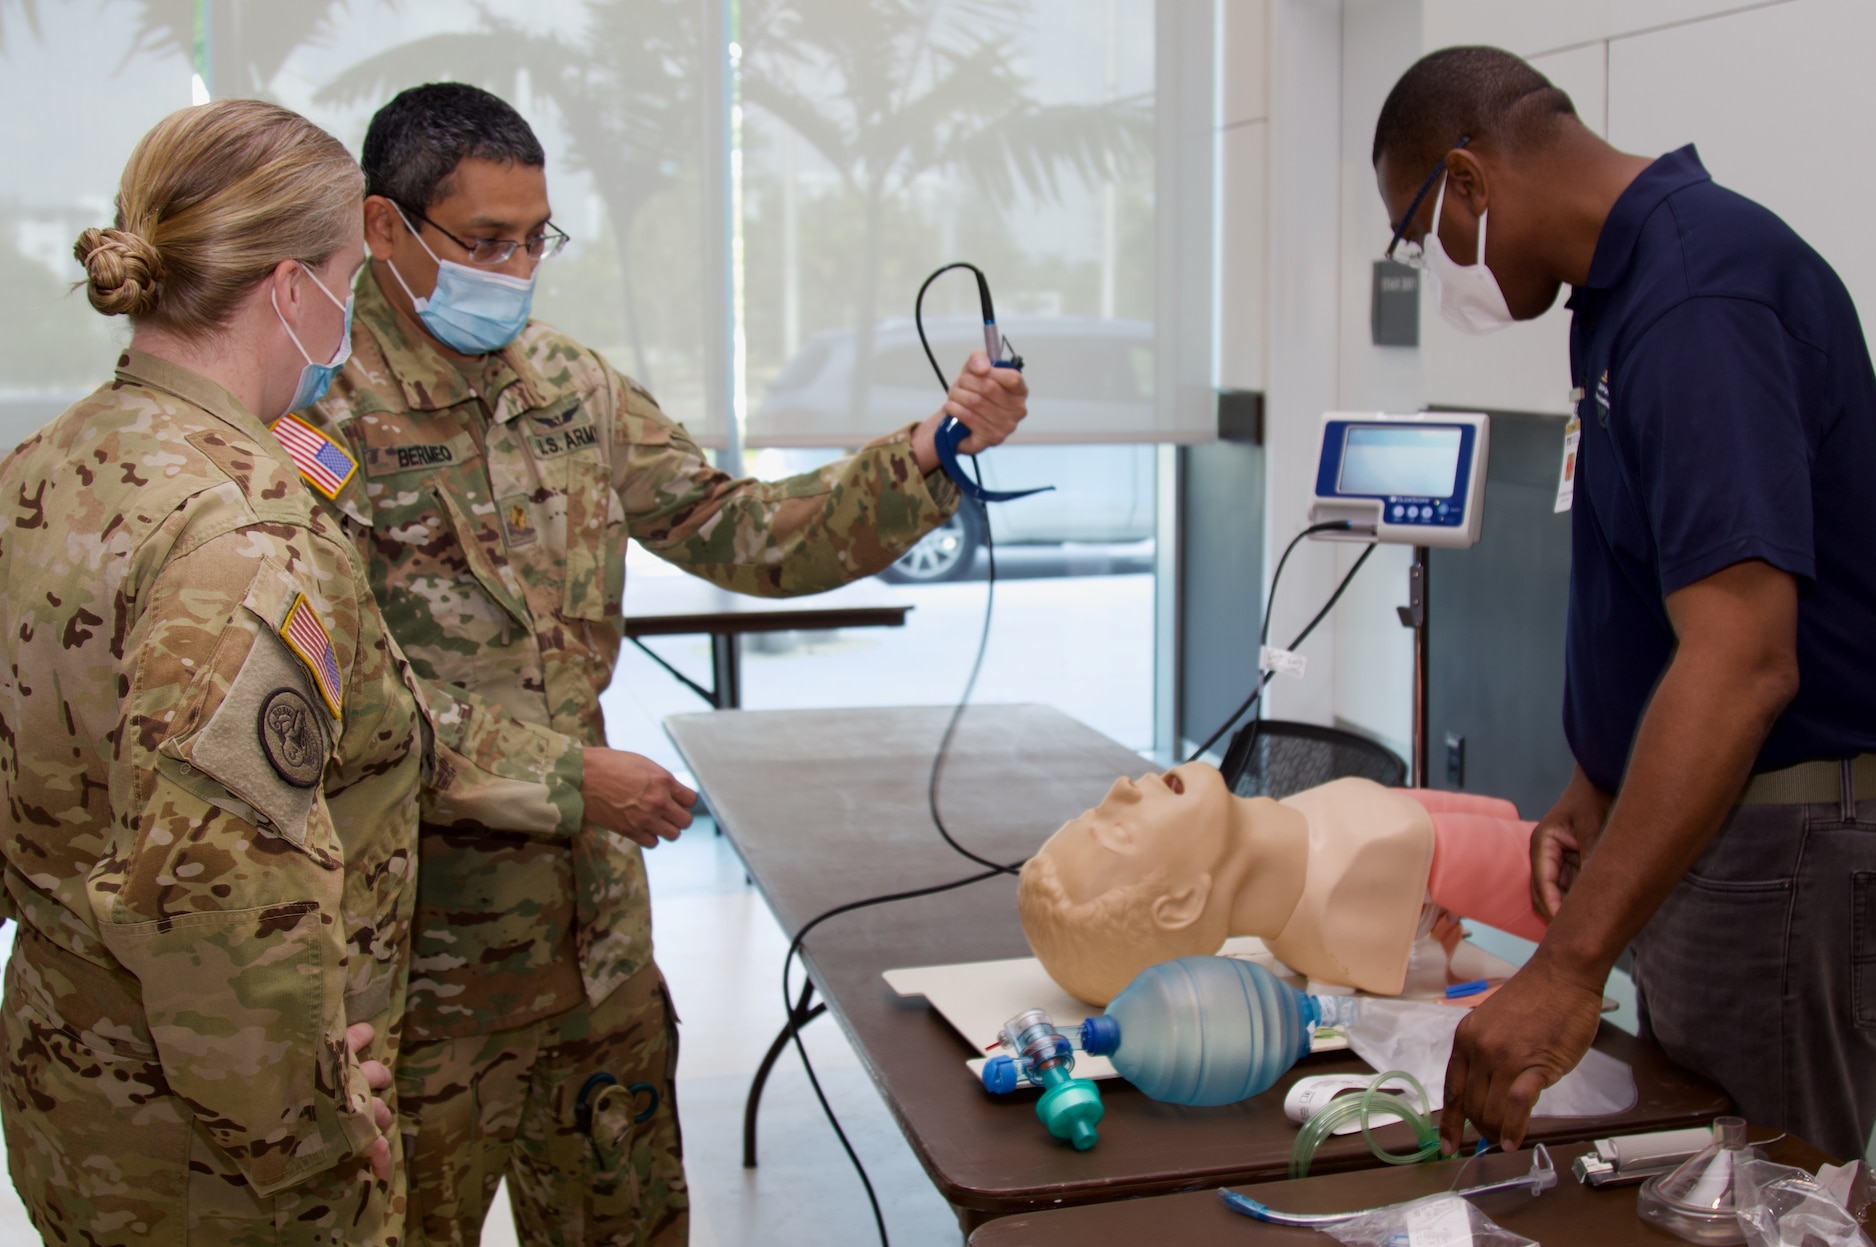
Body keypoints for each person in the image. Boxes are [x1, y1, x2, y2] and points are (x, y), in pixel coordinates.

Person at [302, 82, 1029, 1246]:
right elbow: (334, 689)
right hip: (414, 972)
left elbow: (738, 529)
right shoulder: (314, 414)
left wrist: (930, 449)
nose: (518, 264)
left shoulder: (569, 389)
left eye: (537, 236)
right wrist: (566, 779)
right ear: (385, 230)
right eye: (486, 240)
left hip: (593, 955)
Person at [0, 98, 688, 1247]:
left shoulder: (54, 462)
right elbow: (223, 911)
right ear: (290, 286)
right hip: (221, 1143)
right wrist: (322, 1144)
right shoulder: (245, 535)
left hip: (76, 1082)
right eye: (346, 272)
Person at [1370, 47, 1876, 1160]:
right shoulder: (1621, 294)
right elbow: (1669, 589)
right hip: (1750, 805)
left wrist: (1564, 967)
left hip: (1800, 816)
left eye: (1423, 236)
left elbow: (1744, 658)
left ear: (1468, 180)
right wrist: (1598, 779)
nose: (1437, 267)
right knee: (1696, 1162)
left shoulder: (1697, 297)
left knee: (1753, 1186)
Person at [1017, 762, 1546, 1005]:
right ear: (1182, 904)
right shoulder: (1369, 859)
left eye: (1095, 810)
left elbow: (1503, 824)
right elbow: (1573, 882)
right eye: (1119, 832)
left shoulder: (1316, 828)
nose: (1118, 789)